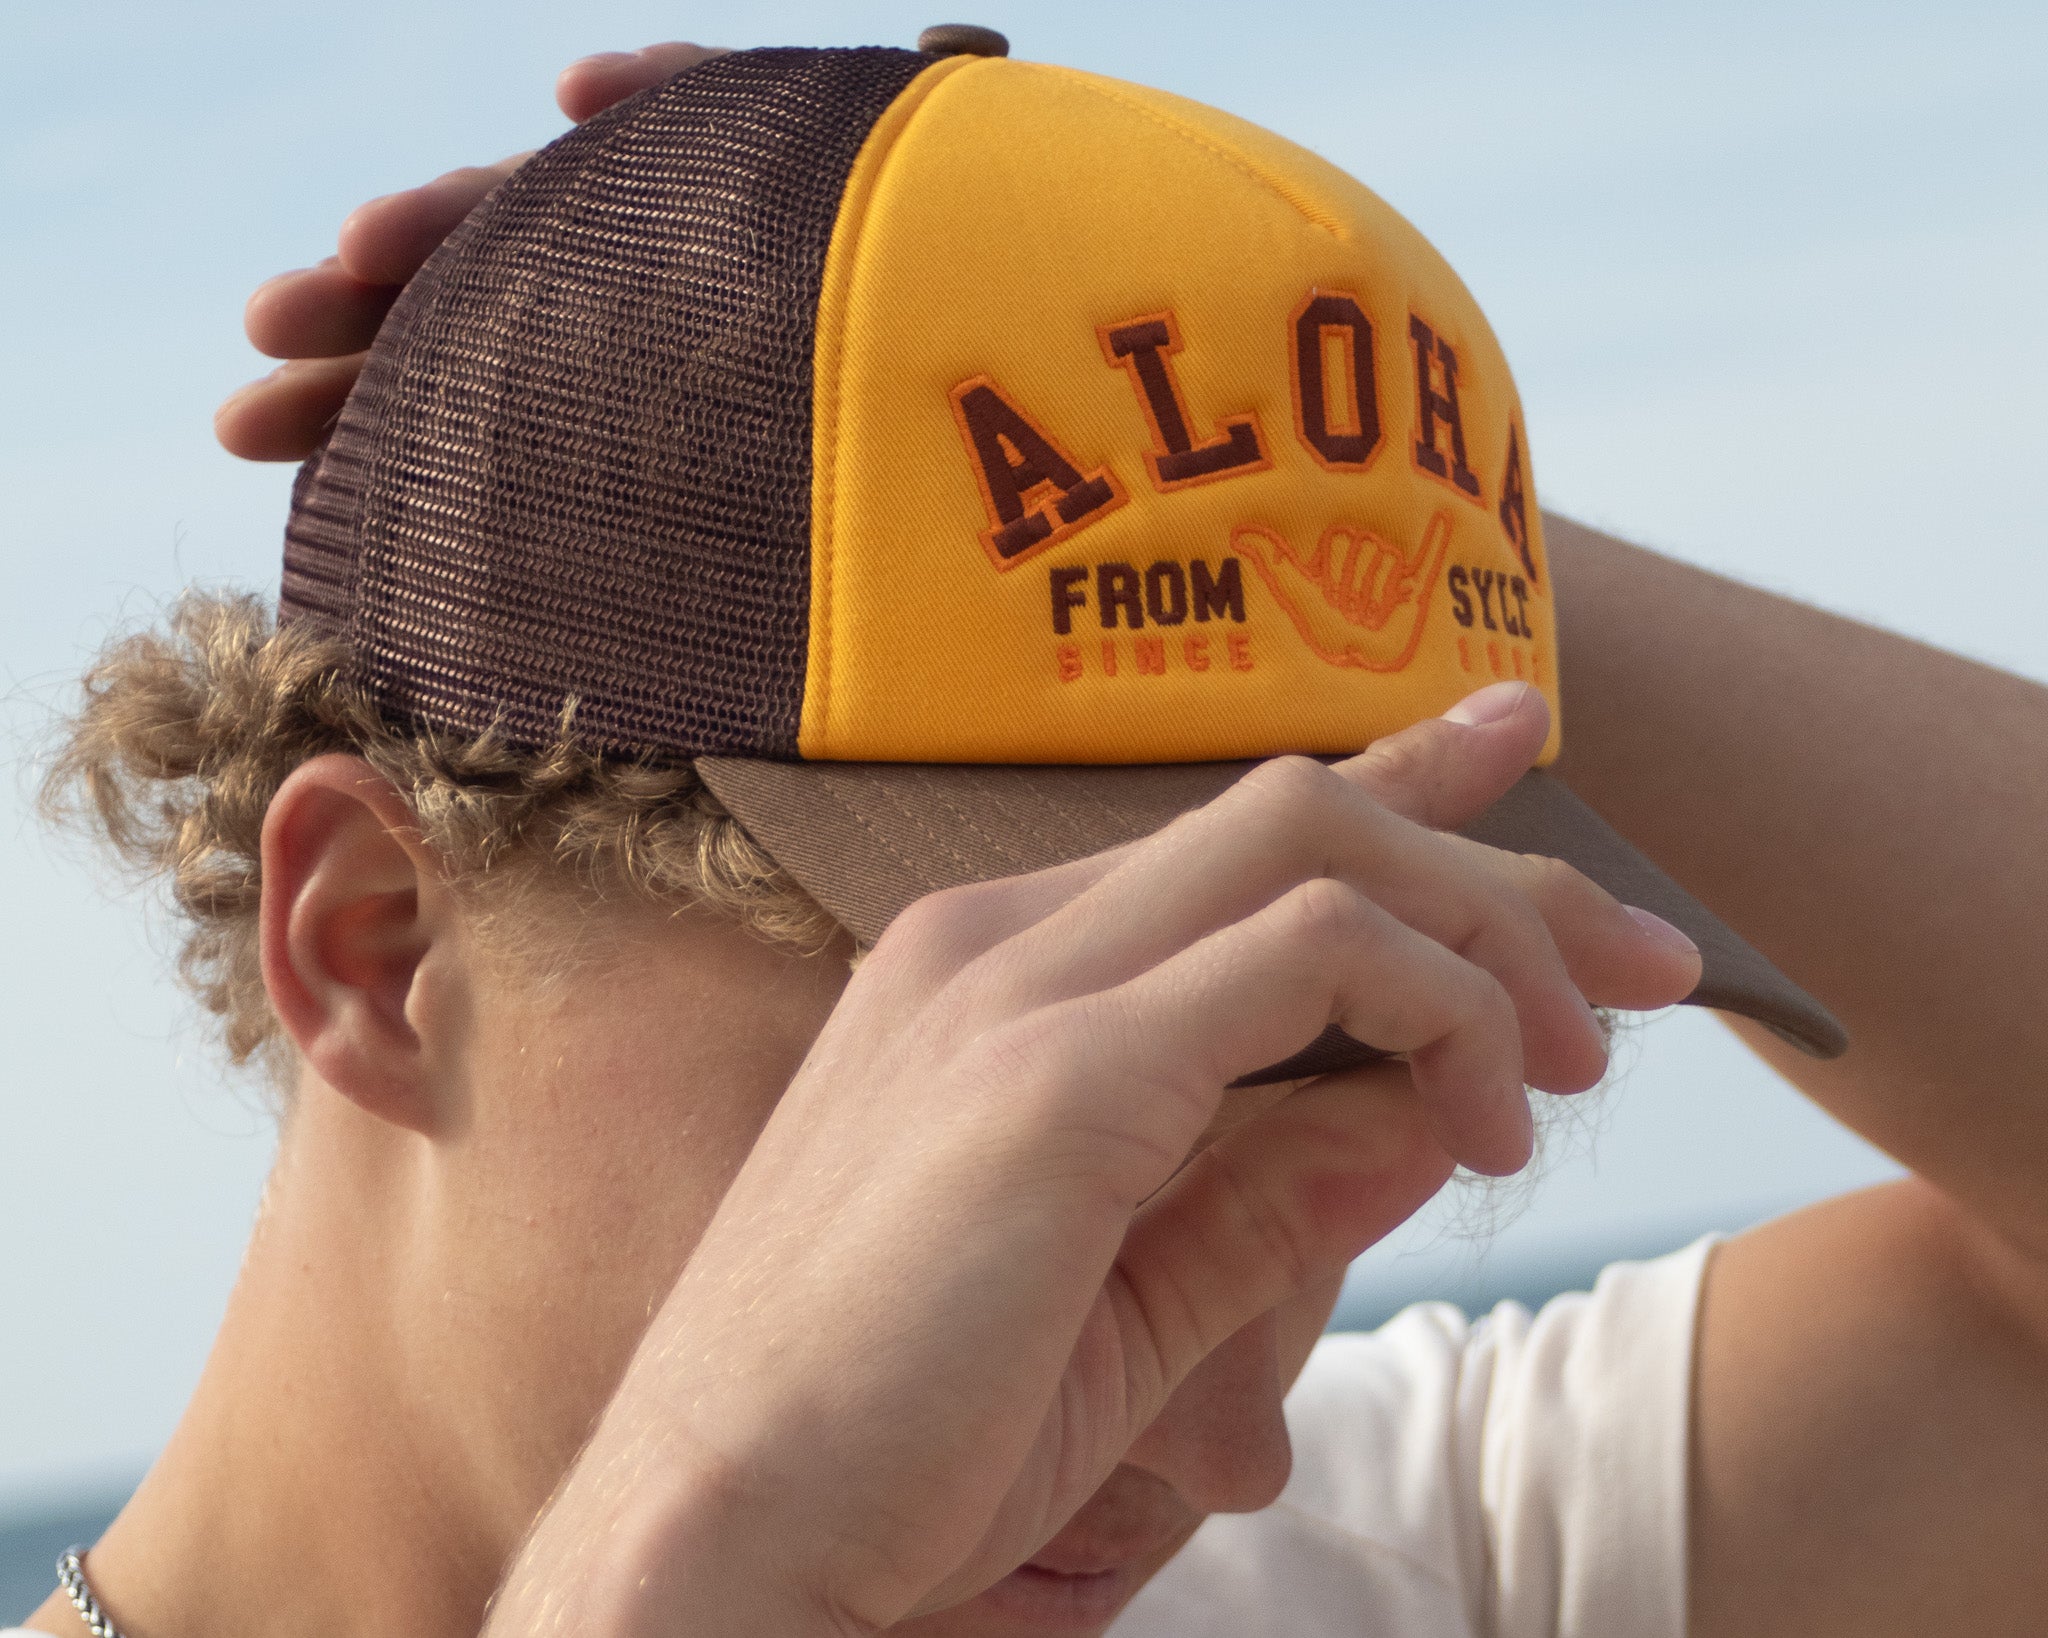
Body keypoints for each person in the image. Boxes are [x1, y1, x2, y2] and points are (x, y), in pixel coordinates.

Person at [17, 34, 2048, 1638]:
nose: (1224, 1439)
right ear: (373, 941)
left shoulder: (1358, 1572)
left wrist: (1282, 463)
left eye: (1323, 1101)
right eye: (998, 1102)